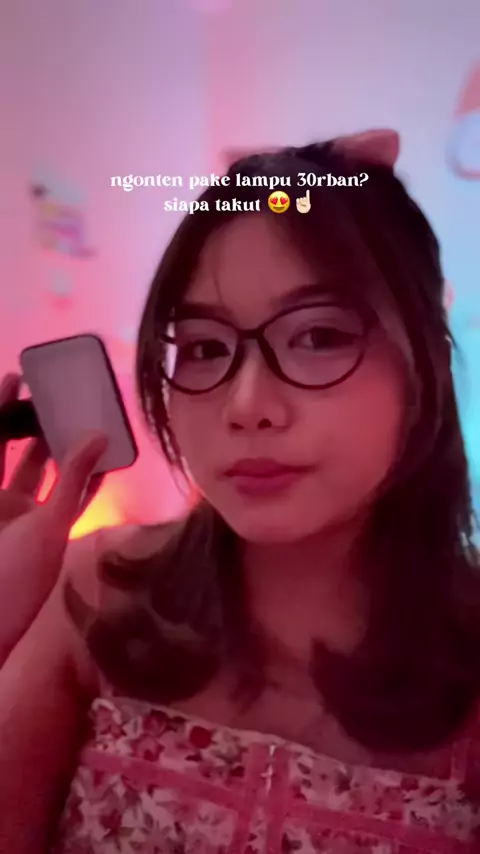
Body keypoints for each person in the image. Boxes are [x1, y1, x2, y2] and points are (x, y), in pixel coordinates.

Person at [1, 128, 480, 853]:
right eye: (204, 347)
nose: (246, 405)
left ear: (426, 363)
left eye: (317, 336)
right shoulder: (95, 595)